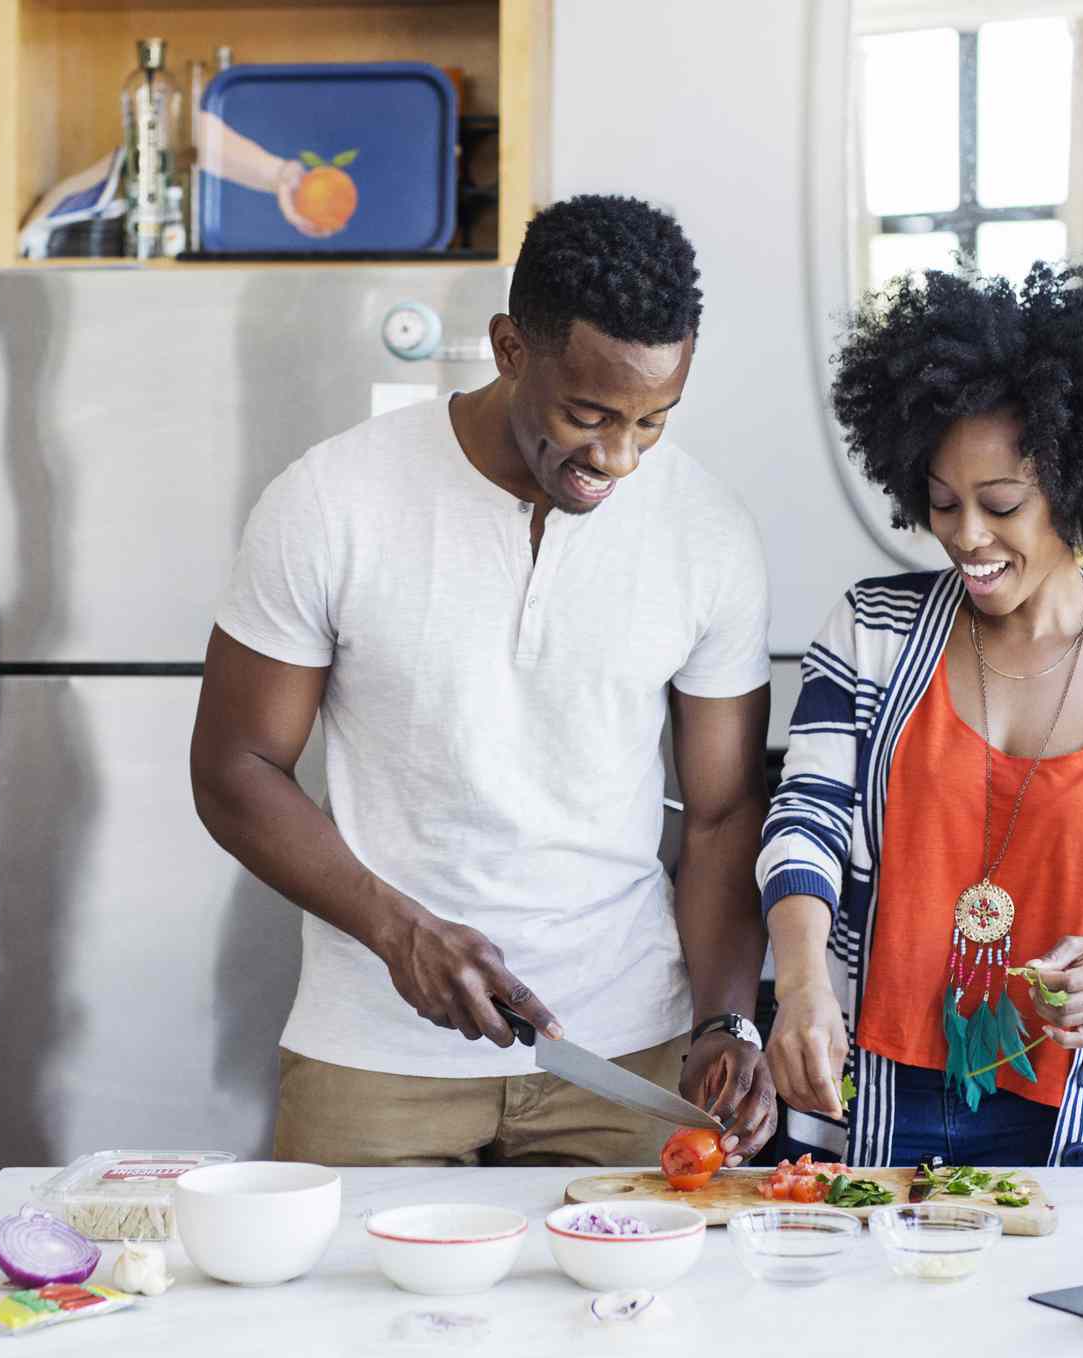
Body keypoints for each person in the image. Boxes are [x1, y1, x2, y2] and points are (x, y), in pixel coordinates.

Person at [191, 195, 777, 1167]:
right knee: (330, 1325)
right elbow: (234, 768)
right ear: (509, 348)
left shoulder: (708, 534)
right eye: (588, 415)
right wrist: (399, 931)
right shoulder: (333, 500)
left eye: (653, 423)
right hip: (372, 1060)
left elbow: (721, 815)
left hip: (626, 1051)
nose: (618, 458)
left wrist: (725, 1022)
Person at [758, 259, 1083, 1168]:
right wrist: (802, 986)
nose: (965, 536)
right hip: (867, 1085)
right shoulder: (871, 632)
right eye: (941, 503)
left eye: (1001, 505)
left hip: (1076, 1101)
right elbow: (803, 824)